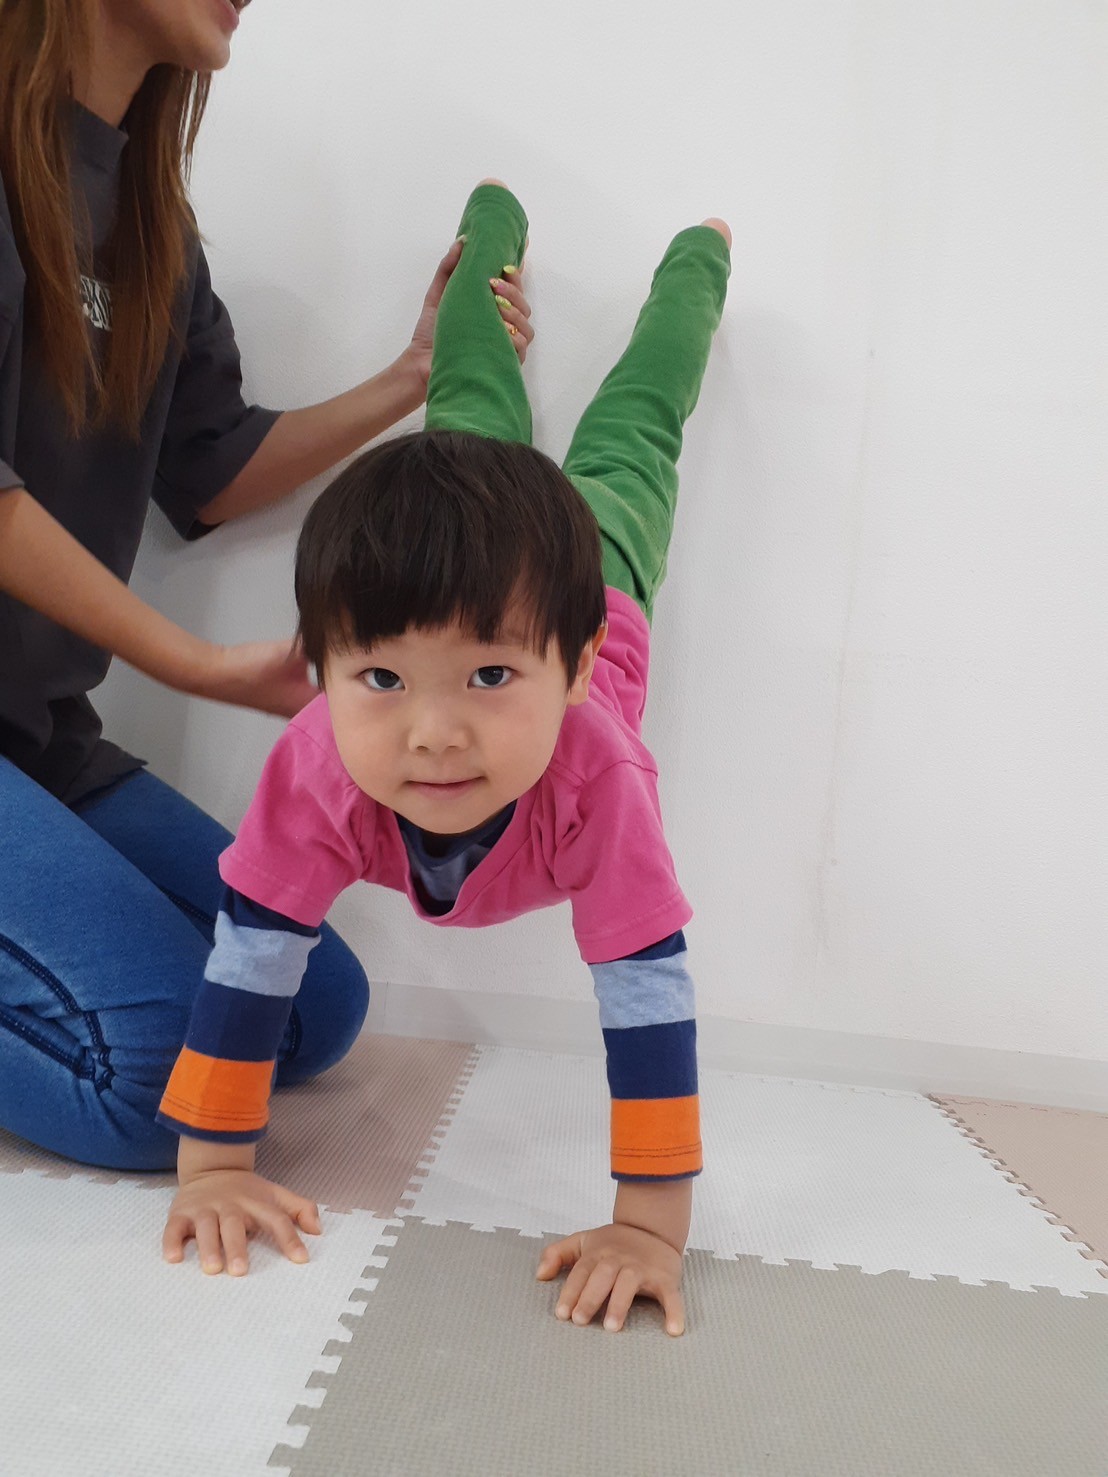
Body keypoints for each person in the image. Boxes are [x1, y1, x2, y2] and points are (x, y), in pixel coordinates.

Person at [159, 180, 731, 1336]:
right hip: (471, 573)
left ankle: (696, 265)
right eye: (379, 679)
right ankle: (491, 223)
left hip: (597, 571)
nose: (432, 734)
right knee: (469, 383)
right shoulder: (320, 763)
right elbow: (255, 949)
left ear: (573, 671)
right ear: (320, 667)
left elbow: (645, 990)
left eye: (490, 679)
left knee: (635, 423)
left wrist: (648, 1226)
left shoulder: (598, 778)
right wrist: (212, 1164)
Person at [0, 2, 531, 1171]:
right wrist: (200, 665)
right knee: (159, 1083)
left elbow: (214, 468)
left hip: (40, 740)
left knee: (310, 1006)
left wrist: (413, 372)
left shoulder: (151, 225)